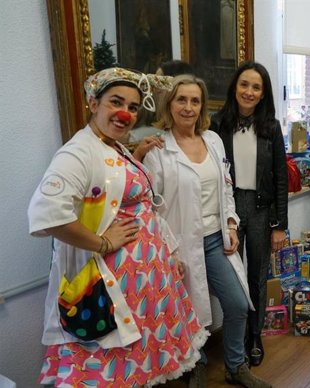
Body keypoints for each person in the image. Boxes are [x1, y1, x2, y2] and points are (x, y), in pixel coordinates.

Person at [28, 67, 208, 387]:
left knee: (136, 366)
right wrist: (102, 243)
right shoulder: (78, 152)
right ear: (93, 103)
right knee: (108, 369)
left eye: (133, 107)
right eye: (116, 102)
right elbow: (48, 214)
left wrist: (168, 253)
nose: (125, 113)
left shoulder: (113, 146)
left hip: (145, 281)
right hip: (111, 283)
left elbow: (142, 206)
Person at [143, 74, 270, 388]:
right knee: (190, 313)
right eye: (181, 100)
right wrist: (168, 251)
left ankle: (235, 366)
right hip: (180, 245)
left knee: (237, 304)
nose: (188, 107)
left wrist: (230, 223)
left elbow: (225, 186)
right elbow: (151, 206)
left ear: (202, 106)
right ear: (169, 105)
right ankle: (194, 366)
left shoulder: (212, 140)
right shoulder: (158, 150)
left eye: (195, 101)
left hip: (216, 240)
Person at [213, 61, 288, 367]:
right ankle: (235, 337)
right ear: (235, 87)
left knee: (257, 276)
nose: (249, 91)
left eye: (256, 87)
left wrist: (279, 225)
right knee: (233, 277)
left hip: (259, 210)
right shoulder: (218, 124)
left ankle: (254, 336)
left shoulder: (271, 127)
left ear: (262, 94)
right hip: (228, 208)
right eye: (244, 84)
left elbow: (280, 178)